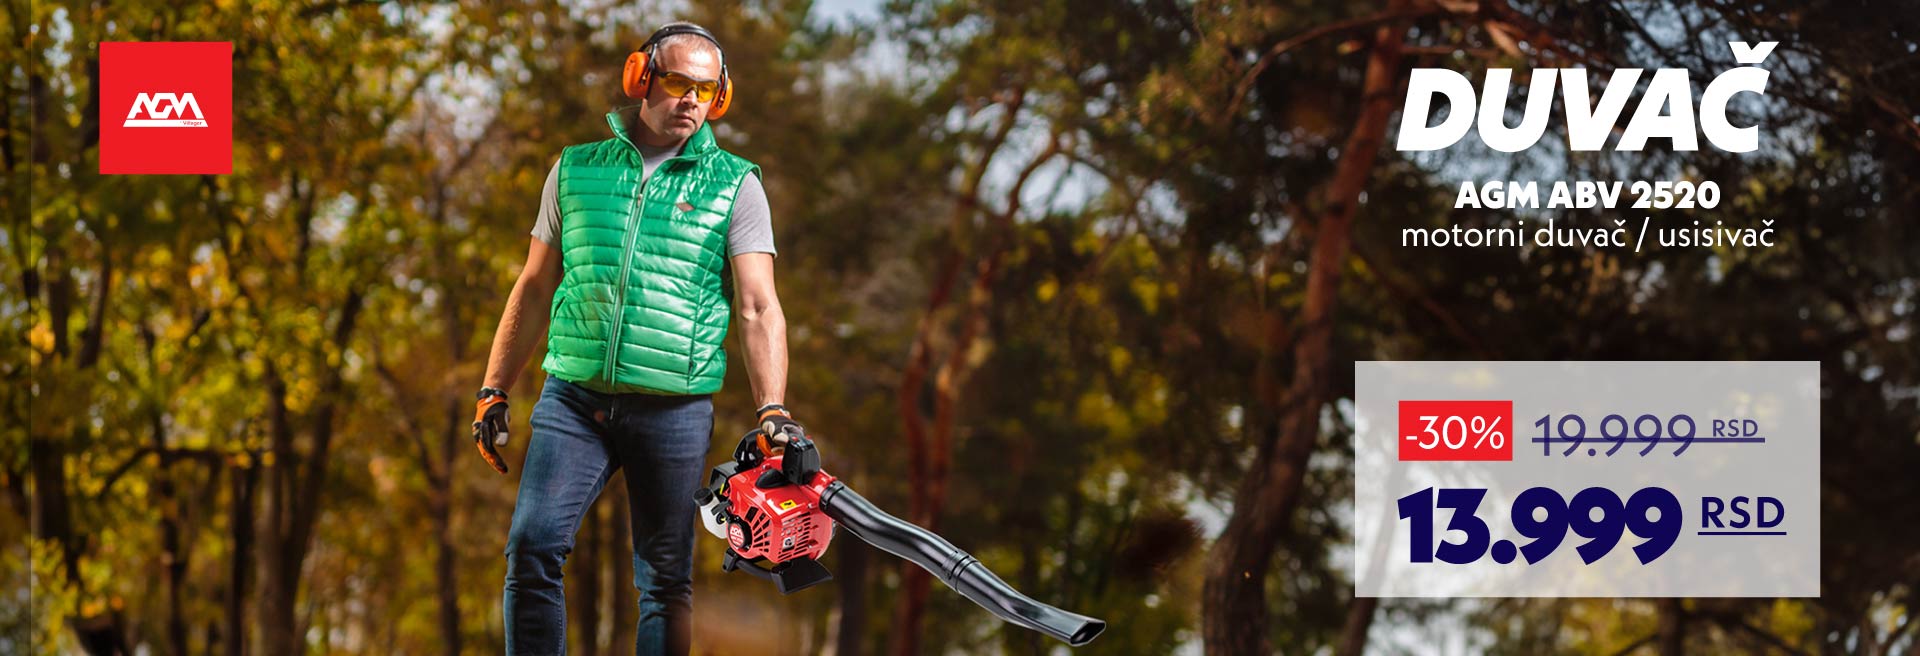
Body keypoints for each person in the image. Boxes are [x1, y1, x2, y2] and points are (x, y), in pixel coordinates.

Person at [468, 22, 805, 655]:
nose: (692, 100)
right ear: (640, 79)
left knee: (664, 580)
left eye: (707, 89)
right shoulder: (574, 169)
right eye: (677, 82)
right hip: (574, 398)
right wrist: (494, 387)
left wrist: (773, 409)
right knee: (531, 547)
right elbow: (534, 286)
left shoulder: (737, 185)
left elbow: (759, 306)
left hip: (674, 409)